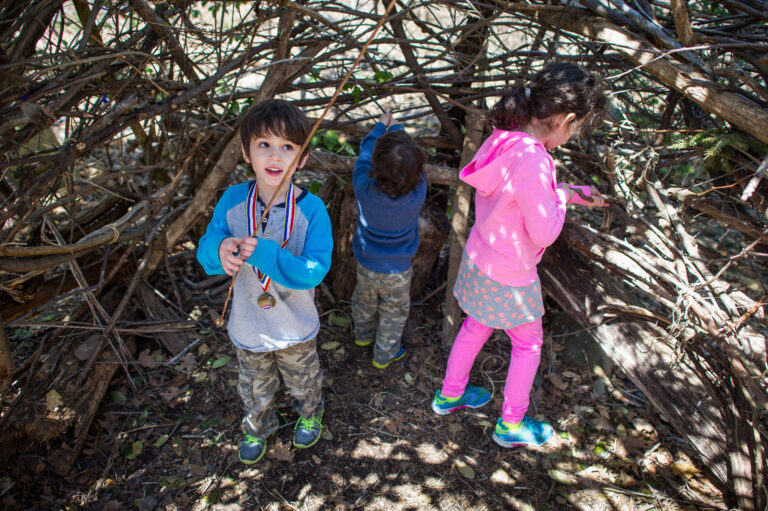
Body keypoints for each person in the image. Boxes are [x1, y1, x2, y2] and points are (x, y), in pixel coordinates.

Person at [431, 62, 608, 448]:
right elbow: (545, 228)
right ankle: (510, 425)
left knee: (475, 326)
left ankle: (449, 394)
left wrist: (567, 191)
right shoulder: (534, 159)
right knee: (528, 344)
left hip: (480, 259)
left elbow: (516, 195)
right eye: (576, 127)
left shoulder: (505, 135)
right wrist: (563, 198)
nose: (573, 134)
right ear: (566, 119)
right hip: (511, 275)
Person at [197, 99, 333, 464]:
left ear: (301, 158)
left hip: (295, 325)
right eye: (264, 145)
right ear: (246, 152)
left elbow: (315, 270)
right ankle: (258, 425)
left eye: (288, 147)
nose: (276, 157)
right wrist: (219, 250)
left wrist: (269, 255)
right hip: (249, 324)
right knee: (254, 386)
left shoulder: (312, 210)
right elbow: (207, 251)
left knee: (303, 378)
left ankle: (309, 412)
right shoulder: (231, 201)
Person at [351, 111, 427, 369]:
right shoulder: (418, 191)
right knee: (394, 313)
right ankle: (383, 356)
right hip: (398, 269)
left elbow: (364, 154)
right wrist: (400, 129)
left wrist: (381, 126)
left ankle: (362, 337)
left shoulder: (363, 185)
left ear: (376, 164)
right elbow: (414, 162)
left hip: (366, 261)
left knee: (364, 300)